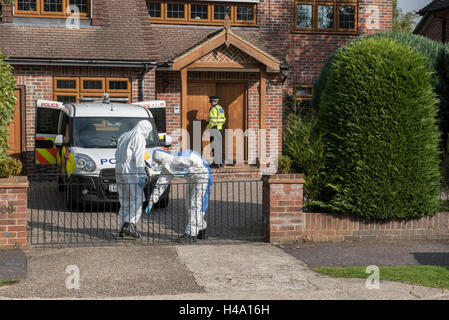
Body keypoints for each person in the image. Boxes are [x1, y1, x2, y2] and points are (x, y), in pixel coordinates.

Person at [148, 149, 213, 243]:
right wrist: (152, 200)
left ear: (162, 158)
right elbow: (161, 184)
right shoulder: (167, 166)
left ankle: (191, 234)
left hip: (203, 175)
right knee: (189, 205)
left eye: (159, 161)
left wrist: (187, 167)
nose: (159, 163)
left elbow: (195, 160)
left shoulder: (181, 156)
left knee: (196, 204)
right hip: (192, 178)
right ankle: (201, 230)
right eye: (157, 162)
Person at [115, 120, 153, 238]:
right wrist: (142, 174)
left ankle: (122, 228)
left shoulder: (124, 135)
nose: (147, 135)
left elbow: (116, 154)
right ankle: (129, 224)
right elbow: (139, 157)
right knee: (137, 199)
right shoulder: (139, 137)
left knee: (124, 200)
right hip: (131, 170)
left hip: (119, 169)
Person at [206, 96, 226, 168]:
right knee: (218, 146)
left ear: (213, 101)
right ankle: (220, 163)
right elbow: (224, 119)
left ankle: (216, 164)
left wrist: (207, 128)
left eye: (211, 102)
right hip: (219, 129)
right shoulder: (220, 108)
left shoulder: (213, 109)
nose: (210, 103)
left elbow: (212, 121)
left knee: (214, 146)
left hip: (214, 129)